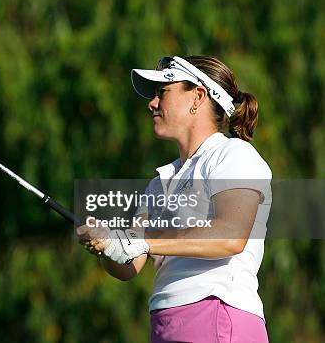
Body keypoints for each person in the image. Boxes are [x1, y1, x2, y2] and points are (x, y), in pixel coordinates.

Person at [76, 56, 272, 342]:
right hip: (166, 324)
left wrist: (141, 240)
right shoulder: (159, 183)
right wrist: (108, 243)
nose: (152, 103)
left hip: (217, 313)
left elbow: (231, 236)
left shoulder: (233, 155)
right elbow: (129, 265)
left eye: (162, 92)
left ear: (198, 96)